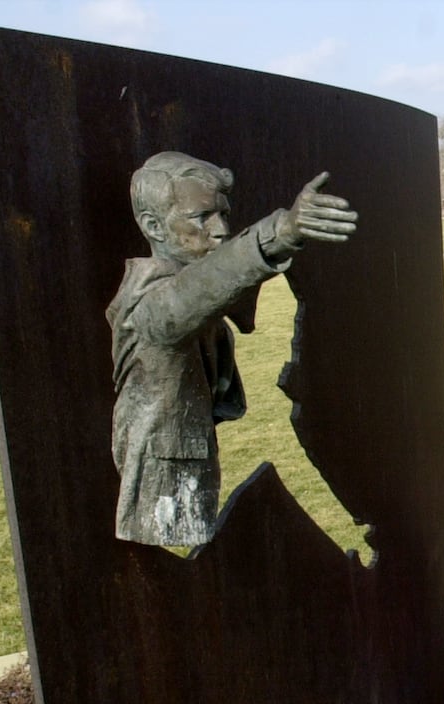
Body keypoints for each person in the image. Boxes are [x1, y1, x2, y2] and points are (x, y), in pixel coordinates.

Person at [108, 151, 358, 546]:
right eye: (201, 217)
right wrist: (281, 231)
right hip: (165, 477)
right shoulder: (148, 305)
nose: (220, 229)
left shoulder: (184, 282)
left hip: (187, 458)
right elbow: (201, 288)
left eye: (222, 214)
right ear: (153, 226)